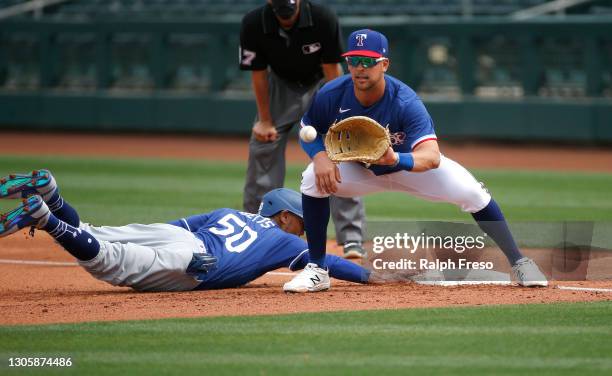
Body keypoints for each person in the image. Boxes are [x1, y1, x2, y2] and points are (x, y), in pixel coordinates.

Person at [282, 29, 549, 292]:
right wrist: (319, 157)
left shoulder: (404, 101)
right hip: (359, 168)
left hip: (409, 167)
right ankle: (317, 269)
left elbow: (431, 157)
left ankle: (520, 262)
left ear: (384, 64)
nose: (360, 68)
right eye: (354, 61)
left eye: (368, 61)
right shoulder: (332, 93)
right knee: (311, 178)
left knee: (472, 193)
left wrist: (395, 158)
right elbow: (309, 129)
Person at [0, 170, 368, 292]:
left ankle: (51, 193)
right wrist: (370, 275)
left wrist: (148, 237)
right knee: (108, 262)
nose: (304, 232)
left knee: (93, 232)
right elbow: (328, 263)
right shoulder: (286, 241)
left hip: (181, 236)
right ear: (285, 217)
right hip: (195, 263)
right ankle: (46, 217)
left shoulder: (228, 212)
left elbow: (174, 227)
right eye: (302, 222)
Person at [239, 0, 366, 258]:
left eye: (290, 12)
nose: (286, 18)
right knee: (263, 145)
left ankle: (351, 236)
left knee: (340, 150)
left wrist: (341, 115)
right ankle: (255, 232)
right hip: (279, 86)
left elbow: (333, 70)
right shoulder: (253, 23)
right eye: (280, 13)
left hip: (321, 85)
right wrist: (264, 120)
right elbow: (259, 74)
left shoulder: (322, 18)